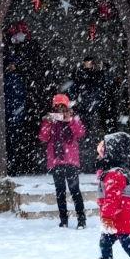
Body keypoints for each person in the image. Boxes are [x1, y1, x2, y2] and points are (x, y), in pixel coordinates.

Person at [38, 94, 86, 229]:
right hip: (56, 161)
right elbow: (43, 137)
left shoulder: (73, 119)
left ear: (67, 107)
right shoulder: (50, 121)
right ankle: (63, 220)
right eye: (57, 107)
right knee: (60, 192)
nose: (60, 110)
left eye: (63, 107)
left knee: (75, 190)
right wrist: (48, 122)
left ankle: (81, 219)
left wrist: (70, 120)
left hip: (71, 161)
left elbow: (80, 133)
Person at [70, 57, 105, 172]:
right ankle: (84, 164)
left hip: (92, 110)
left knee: (91, 138)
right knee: (83, 137)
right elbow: (76, 89)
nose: (88, 65)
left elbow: (100, 90)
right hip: (84, 110)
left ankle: (91, 164)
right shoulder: (80, 75)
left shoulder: (96, 75)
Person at [4, 57, 28, 174]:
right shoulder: (8, 78)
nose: (12, 66)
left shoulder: (17, 78)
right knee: (11, 142)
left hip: (14, 114)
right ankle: (12, 167)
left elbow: (21, 96)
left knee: (14, 142)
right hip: (10, 113)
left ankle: (14, 167)